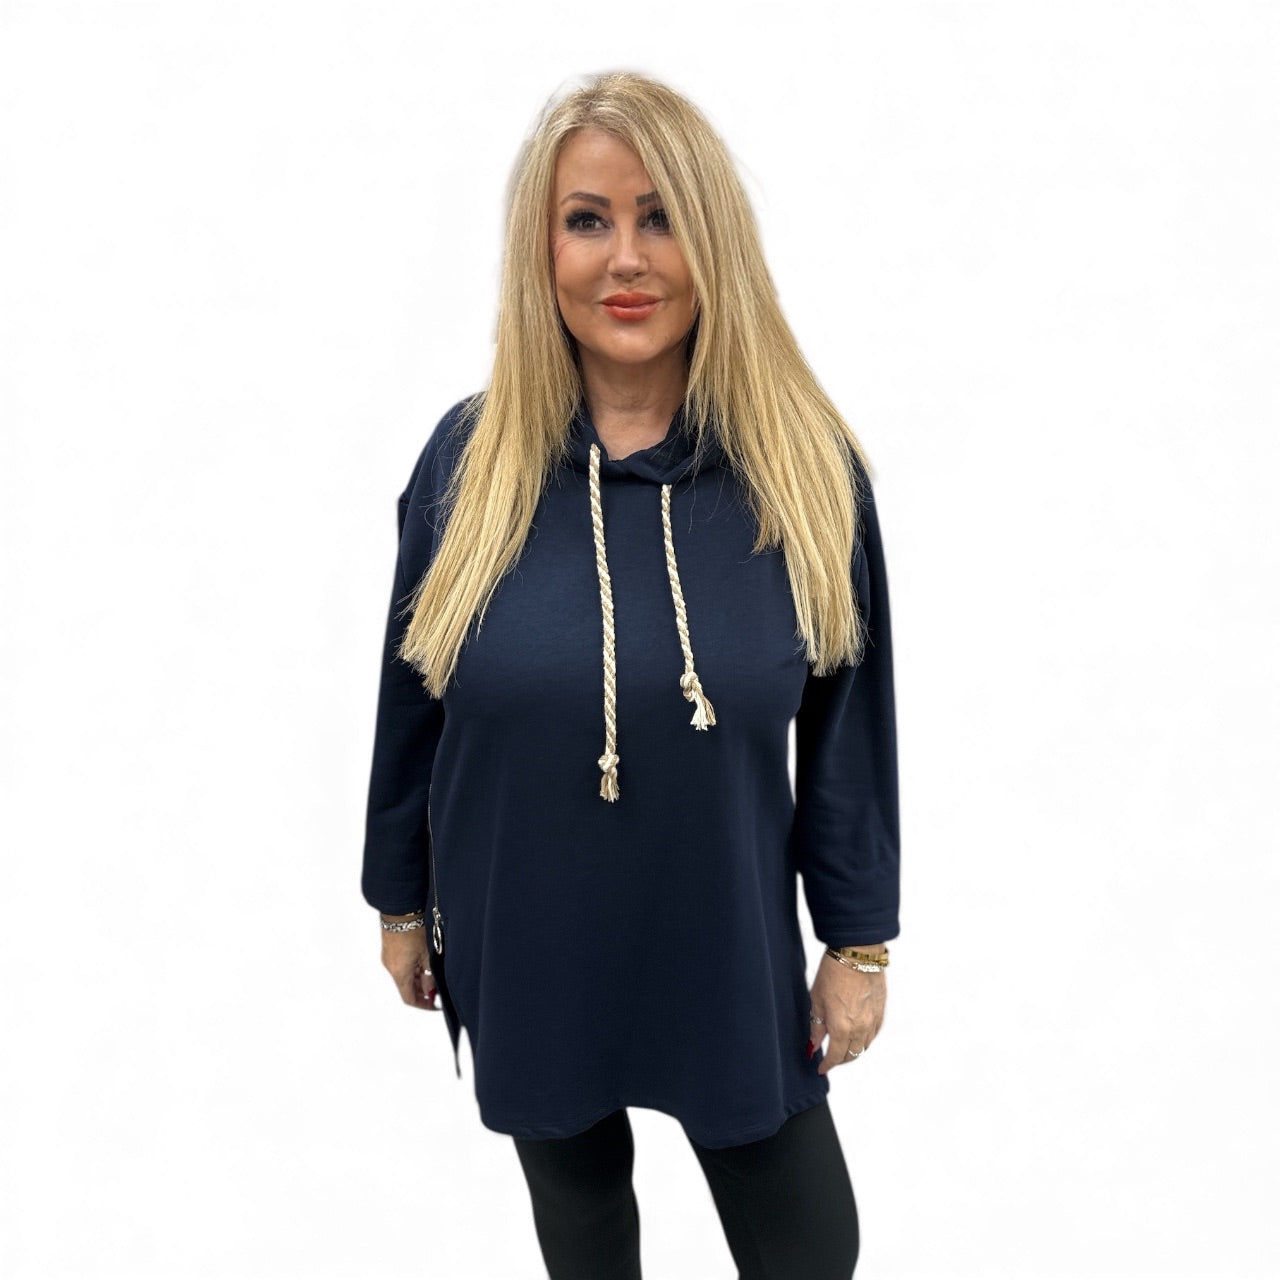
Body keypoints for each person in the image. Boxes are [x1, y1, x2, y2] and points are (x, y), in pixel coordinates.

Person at [361, 70, 900, 1280]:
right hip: (524, 926)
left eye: (660, 217)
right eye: (586, 219)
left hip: (721, 932)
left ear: (713, 240)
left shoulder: (804, 470)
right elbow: (411, 702)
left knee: (809, 1244)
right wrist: (398, 899)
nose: (625, 258)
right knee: (584, 1226)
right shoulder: (466, 463)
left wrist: (856, 941)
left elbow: (849, 725)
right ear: (539, 250)